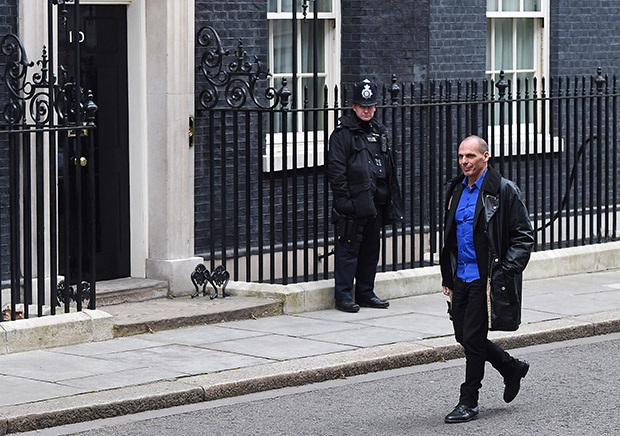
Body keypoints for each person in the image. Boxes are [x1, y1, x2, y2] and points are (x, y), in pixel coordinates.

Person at [440, 135, 535, 423]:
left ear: (486, 157)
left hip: (486, 277)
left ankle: (469, 400)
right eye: (460, 157)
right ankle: (510, 367)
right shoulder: (456, 190)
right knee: (464, 335)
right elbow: (450, 239)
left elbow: (524, 236)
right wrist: (447, 275)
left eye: (470, 156)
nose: (464, 162)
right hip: (461, 277)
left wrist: (504, 271)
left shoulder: (503, 191)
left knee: (472, 338)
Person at [327, 79, 403, 313]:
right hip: (353, 204)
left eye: (370, 106)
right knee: (349, 249)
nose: (367, 110)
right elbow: (337, 171)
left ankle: (366, 293)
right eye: (362, 106)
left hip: (376, 202)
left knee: (371, 250)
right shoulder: (342, 135)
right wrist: (345, 202)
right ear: (353, 106)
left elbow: (387, 165)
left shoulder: (379, 131)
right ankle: (343, 296)